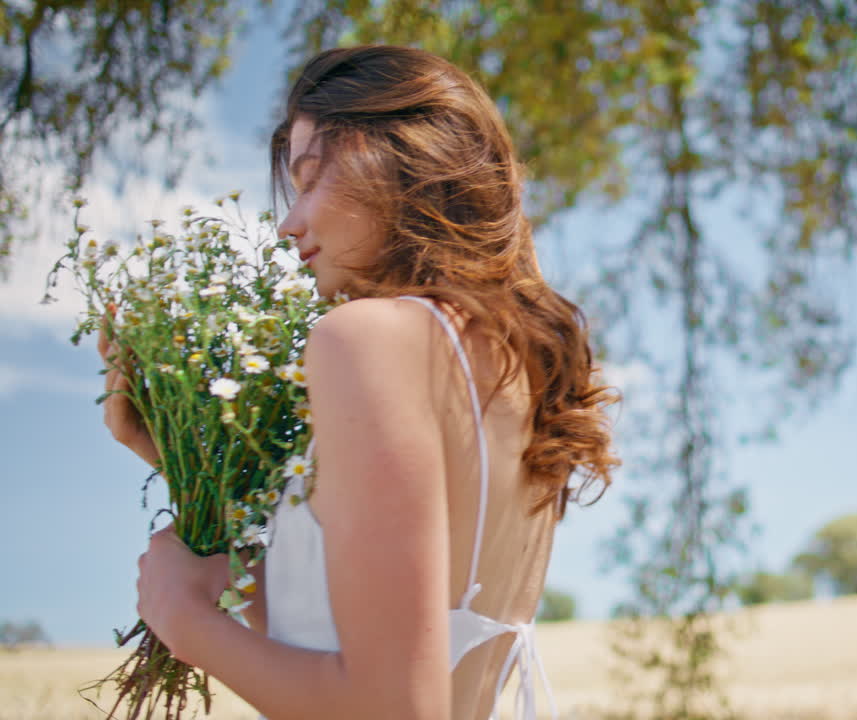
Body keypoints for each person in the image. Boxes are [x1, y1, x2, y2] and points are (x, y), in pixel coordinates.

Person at [97, 45, 619, 720]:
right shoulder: (515, 364)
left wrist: (182, 614)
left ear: (401, 157)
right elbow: (348, 632)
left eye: (310, 179)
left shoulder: (368, 339)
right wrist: (174, 455)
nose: (288, 223)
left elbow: (391, 705)